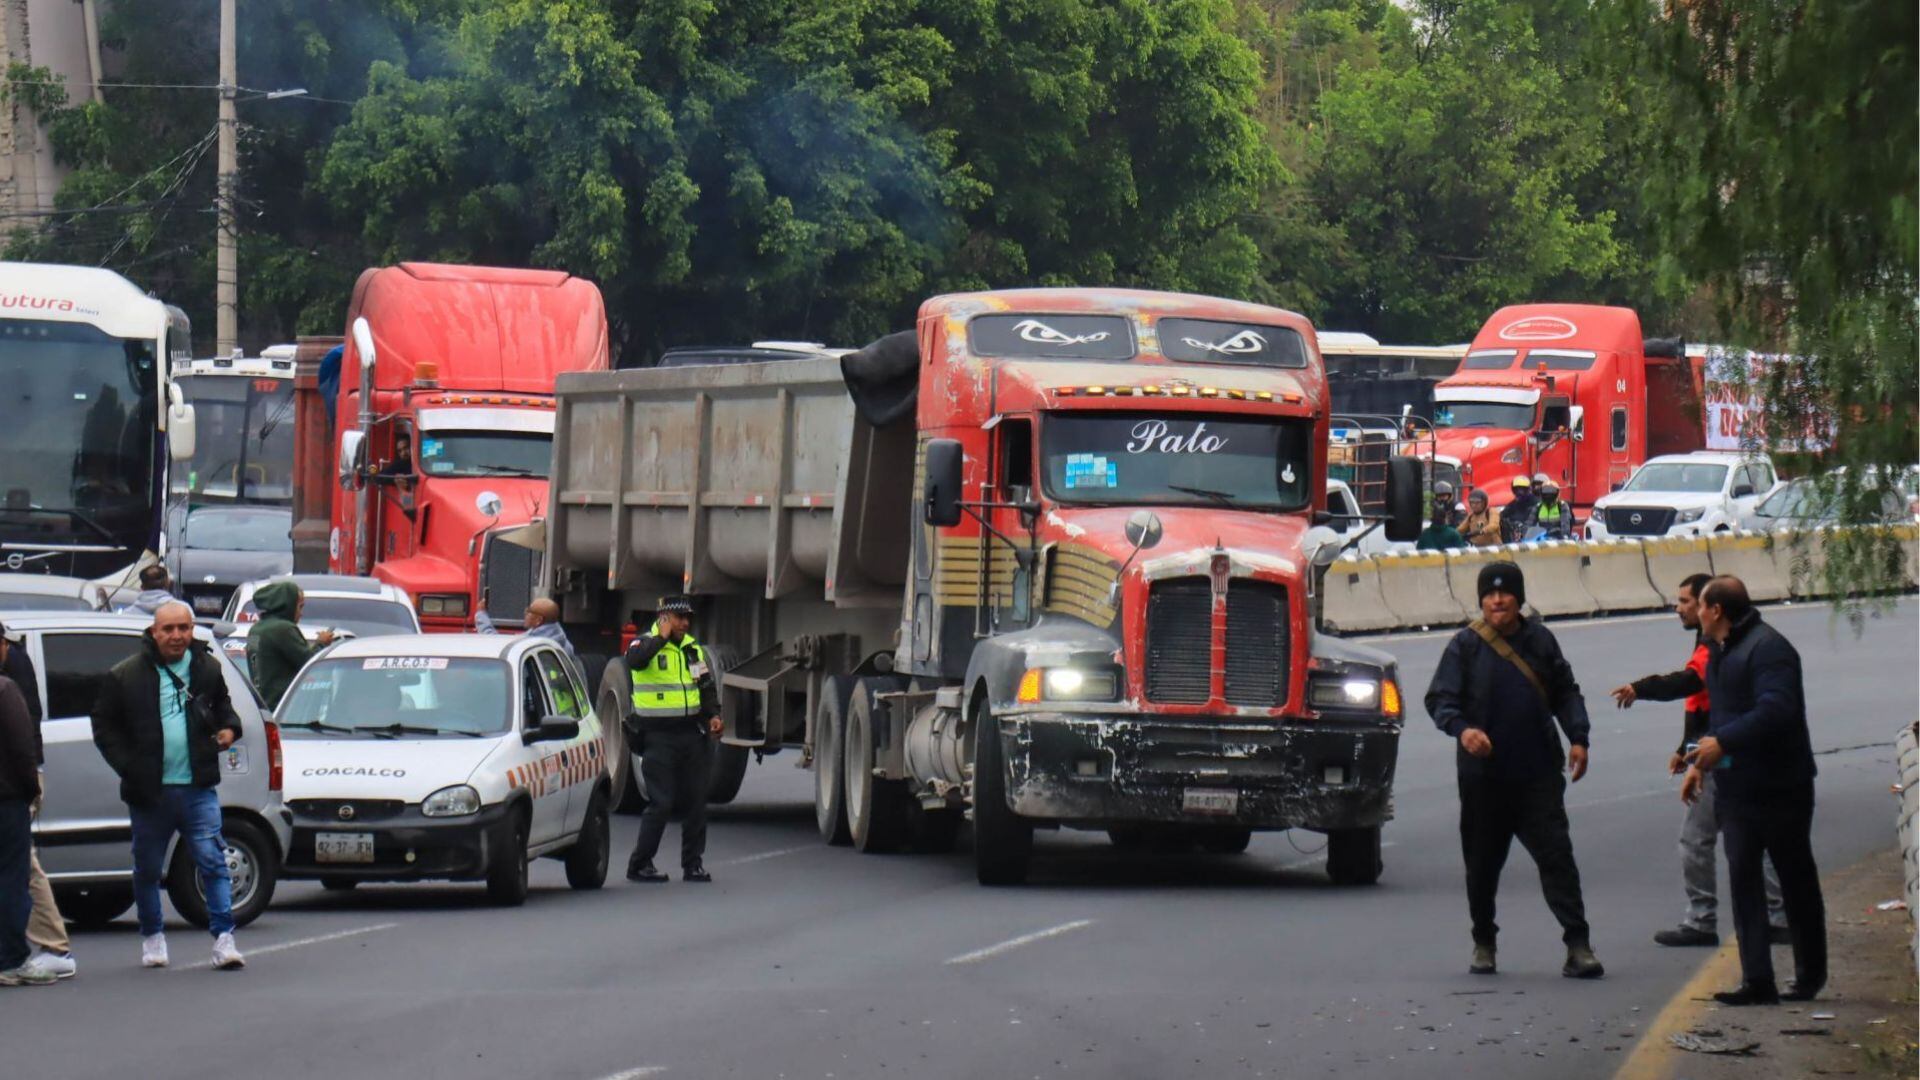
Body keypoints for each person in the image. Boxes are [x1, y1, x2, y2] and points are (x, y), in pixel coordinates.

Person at [1425, 561, 1603, 979]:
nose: (1497, 601)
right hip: (1483, 780)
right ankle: (1484, 941)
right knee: (1482, 865)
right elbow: (1440, 700)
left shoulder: (1540, 641)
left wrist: (1578, 737)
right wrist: (1462, 729)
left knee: (1557, 858)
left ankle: (1578, 945)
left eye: (1504, 594)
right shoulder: (1464, 646)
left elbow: (1565, 692)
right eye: (1489, 595)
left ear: (1519, 599)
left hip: (1537, 775)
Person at [1610, 574, 1789, 948]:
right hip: (1728, 754)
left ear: (1713, 608)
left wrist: (1640, 689)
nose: (1680, 609)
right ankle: (1777, 918)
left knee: (1699, 839)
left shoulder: (1727, 648)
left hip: (1727, 758)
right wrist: (1685, 748)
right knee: (1757, 838)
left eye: (1689, 603)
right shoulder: (1733, 643)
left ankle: (1704, 920)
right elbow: (1706, 703)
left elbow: (1692, 686)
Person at [1686, 576, 1825, 1006]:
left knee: (1794, 878)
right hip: (1737, 787)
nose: (1694, 614)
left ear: (1716, 612)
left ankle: (1809, 975)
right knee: (1743, 878)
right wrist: (1699, 761)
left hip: (1781, 785)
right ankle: (1757, 979)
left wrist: (1722, 743)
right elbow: (1721, 715)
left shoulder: (1769, 649)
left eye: (1700, 607)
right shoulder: (1721, 653)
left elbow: (1777, 709)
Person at [90, 602, 247, 970]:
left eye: (183, 628)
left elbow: (224, 708)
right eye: (169, 629)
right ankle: (152, 936)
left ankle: (224, 938)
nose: (177, 636)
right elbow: (104, 725)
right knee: (147, 868)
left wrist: (229, 729)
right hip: (151, 792)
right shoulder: (126, 675)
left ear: (192, 630)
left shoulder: (207, 668)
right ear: (154, 632)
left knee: (212, 860)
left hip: (197, 787)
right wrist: (129, 766)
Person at [624, 595, 720, 885]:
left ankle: (692, 865)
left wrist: (713, 715)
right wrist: (661, 639)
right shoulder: (643, 644)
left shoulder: (692, 649)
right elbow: (636, 662)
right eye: (679, 618)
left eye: (687, 617)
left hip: (691, 734)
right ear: (663, 619)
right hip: (657, 737)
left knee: (695, 802)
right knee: (661, 803)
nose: (685, 623)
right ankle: (639, 864)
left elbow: (705, 685)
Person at [0, 624, 74, 980]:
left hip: (12, 787)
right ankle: (17, 956)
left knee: (20, 870)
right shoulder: (6, 683)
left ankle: (47, 946)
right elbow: (21, 743)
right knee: (17, 871)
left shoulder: (13, 666)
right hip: (10, 790)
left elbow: (26, 731)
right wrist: (29, 788)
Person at [0, 662, 54, 986]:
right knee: (11, 878)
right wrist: (32, 790)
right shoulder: (5, 690)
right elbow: (23, 750)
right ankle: (11, 959)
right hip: (6, 800)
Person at [245, 581, 336, 710]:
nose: (301, 613)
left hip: (261, 707)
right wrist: (321, 643)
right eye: (300, 607)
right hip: (282, 707)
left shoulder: (255, 630)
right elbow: (308, 663)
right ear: (288, 605)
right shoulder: (284, 629)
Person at [475, 597, 577, 659]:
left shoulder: (532, 644)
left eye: (529, 611)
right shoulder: (561, 640)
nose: (525, 613)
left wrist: (481, 614)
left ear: (539, 620)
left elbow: (494, 642)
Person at [1499, 476, 1538, 544]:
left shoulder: (1535, 502)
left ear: (1528, 489)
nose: (1519, 492)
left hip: (1531, 534)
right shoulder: (1514, 503)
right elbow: (1502, 514)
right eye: (1517, 489)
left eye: (1522, 489)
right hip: (1514, 534)